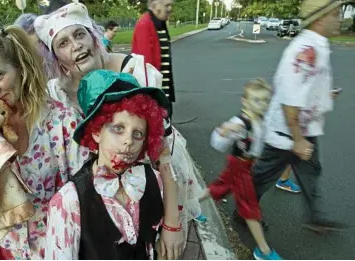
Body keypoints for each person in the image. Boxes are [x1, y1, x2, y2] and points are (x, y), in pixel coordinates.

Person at [34, 3, 204, 258]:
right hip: (93, 202)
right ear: (56, 57)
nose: (76, 45)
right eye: (63, 43)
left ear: (93, 36)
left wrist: (171, 223)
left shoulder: (137, 72)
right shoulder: (56, 94)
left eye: (79, 35)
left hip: (151, 190)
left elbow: (164, 157)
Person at [0, 25, 88, 259]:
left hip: (57, 244)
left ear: (21, 68)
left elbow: (83, 191)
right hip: (2, 247)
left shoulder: (62, 120)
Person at [45, 70, 170, 259]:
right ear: (96, 132)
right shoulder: (68, 202)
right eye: (118, 129)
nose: (128, 141)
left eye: (138, 134)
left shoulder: (154, 181)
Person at [252, 0, 347, 233]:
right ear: (321, 18)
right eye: (336, 14)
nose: (340, 19)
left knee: (311, 172)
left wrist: (324, 95)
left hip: (304, 129)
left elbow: (306, 86)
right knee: (262, 177)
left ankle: (317, 217)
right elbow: (290, 96)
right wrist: (297, 139)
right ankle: (245, 212)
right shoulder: (306, 50)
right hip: (288, 131)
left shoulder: (318, 45)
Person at [200, 79, 281, 260]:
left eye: (265, 100)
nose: (262, 105)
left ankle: (191, 207)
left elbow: (262, 139)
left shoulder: (258, 119)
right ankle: (263, 250)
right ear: (245, 101)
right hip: (239, 167)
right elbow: (219, 140)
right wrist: (225, 130)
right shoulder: (242, 122)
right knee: (249, 206)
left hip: (243, 165)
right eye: (256, 100)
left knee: (219, 188)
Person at [132, 0, 176, 103]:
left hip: (162, 89)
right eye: (167, 5)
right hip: (153, 93)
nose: (170, 9)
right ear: (155, 5)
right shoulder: (145, 24)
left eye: (171, 5)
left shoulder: (159, 23)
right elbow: (146, 66)